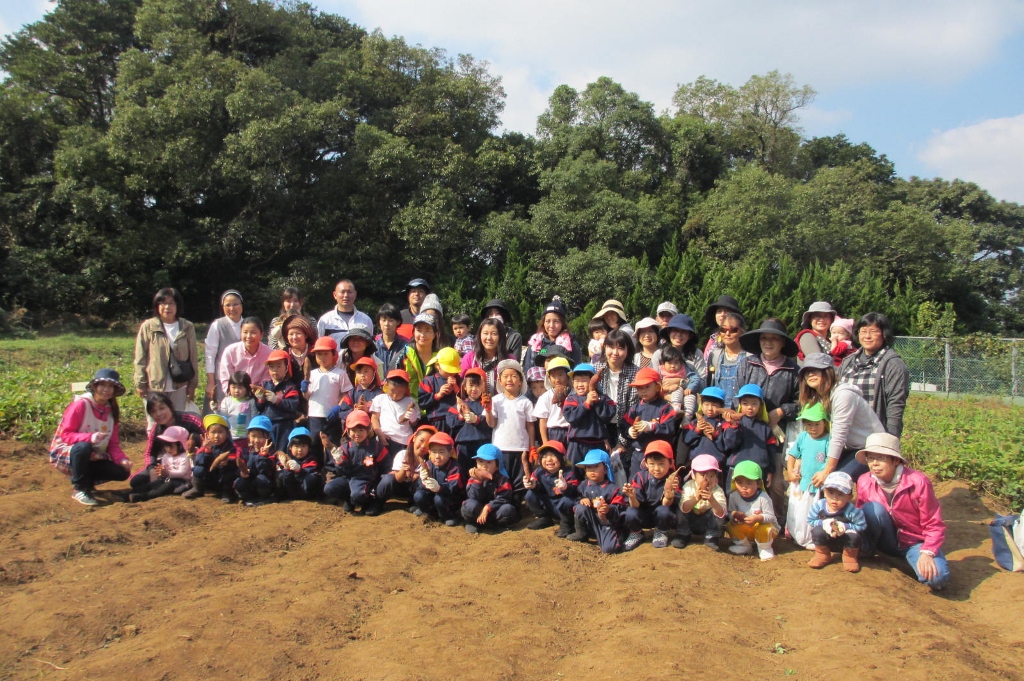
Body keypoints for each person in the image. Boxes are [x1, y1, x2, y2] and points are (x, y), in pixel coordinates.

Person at [855, 433, 950, 590]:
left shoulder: (918, 482)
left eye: (881, 458)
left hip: (913, 542)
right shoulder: (864, 481)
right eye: (870, 458)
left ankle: (908, 558)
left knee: (937, 577)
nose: (874, 463)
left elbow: (933, 522)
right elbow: (860, 514)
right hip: (885, 539)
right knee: (872, 510)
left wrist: (927, 552)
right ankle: (869, 549)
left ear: (896, 460)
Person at [49, 369, 132, 506]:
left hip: (93, 455)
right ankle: (80, 488)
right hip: (70, 451)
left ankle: (87, 483)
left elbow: (113, 444)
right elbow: (66, 435)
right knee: (83, 447)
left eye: (110, 386)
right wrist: (90, 437)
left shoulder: (112, 413)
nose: (106, 389)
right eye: (102, 385)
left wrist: (122, 460)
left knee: (122, 472)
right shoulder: (81, 405)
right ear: (94, 387)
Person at [799, 353, 885, 482]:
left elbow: (838, 436)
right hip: (849, 448)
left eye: (815, 370)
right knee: (814, 473)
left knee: (835, 481)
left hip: (870, 449)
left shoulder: (843, 395)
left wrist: (827, 471)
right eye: (806, 372)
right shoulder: (818, 397)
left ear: (828, 372)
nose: (810, 374)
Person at [838, 312, 910, 437]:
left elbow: (895, 405)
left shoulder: (893, 365)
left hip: (874, 436)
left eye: (873, 331)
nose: (867, 336)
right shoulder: (848, 362)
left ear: (884, 334)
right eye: (863, 331)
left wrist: (890, 439)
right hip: (844, 435)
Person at [133, 287, 198, 412]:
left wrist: (192, 384)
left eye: (171, 303)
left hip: (180, 385)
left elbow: (193, 357)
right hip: (154, 385)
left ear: (177, 305)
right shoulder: (148, 326)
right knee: (156, 420)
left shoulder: (187, 326)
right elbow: (140, 357)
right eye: (163, 303)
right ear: (157, 305)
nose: (167, 307)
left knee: (177, 419)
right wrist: (140, 383)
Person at [485, 359, 537, 499]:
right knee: (502, 478)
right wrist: (488, 410)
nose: (509, 379)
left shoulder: (525, 402)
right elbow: (491, 424)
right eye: (505, 376)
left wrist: (532, 447)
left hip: (521, 448)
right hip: (500, 448)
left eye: (514, 376)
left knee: (520, 480)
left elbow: (530, 426)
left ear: (520, 381)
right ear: (500, 381)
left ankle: (517, 503)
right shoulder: (496, 400)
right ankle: (502, 501)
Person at [622, 441, 683, 550]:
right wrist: (632, 496)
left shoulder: (673, 479)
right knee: (630, 512)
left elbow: (666, 505)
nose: (656, 468)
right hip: (643, 515)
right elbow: (635, 505)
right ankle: (636, 533)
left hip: (662, 516)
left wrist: (668, 496)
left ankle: (661, 531)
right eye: (652, 464)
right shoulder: (640, 477)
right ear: (646, 463)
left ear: (670, 463)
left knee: (664, 511)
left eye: (661, 464)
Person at [323, 411, 388, 513]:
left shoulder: (376, 447)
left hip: (368, 480)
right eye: (353, 430)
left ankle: (370, 502)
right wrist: (339, 461)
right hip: (349, 479)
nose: (357, 434)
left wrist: (381, 481)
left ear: (368, 429)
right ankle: (349, 500)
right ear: (348, 431)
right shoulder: (345, 448)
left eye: (361, 430)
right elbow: (342, 471)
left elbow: (386, 464)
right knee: (329, 488)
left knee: (358, 495)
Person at [566, 449, 627, 553]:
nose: (592, 470)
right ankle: (581, 533)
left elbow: (620, 508)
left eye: (596, 466)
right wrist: (581, 500)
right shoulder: (582, 486)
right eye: (589, 467)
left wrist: (608, 509)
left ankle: (619, 536)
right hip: (590, 522)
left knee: (609, 548)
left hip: (605, 523)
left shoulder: (613, 489)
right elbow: (575, 499)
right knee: (580, 507)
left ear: (605, 469)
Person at [134, 393, 203, 482]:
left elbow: (208, 440)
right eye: (153, 411)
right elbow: (150, 453)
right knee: (136, 481)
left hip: (195, 464)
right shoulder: (156, 429)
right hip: (171, 464)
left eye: (162, 408)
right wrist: (152, 469)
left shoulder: (191, 420)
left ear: (171, 406)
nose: (158, 414)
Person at [622, 367, 676, 479]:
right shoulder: (635, 408)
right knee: (635, 481)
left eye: (647, 386)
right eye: (639, 388)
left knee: (658, 483)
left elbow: (669, 429)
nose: (643, 391)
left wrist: (651, 426)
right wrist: (629, 431)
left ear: (657, 387)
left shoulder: (665, 407)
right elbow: (623, 425)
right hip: (639, 453)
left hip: (658, 456)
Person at [305, 336, 352, 464]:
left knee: (332, 444)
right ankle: (315, 469)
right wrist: (304, 389)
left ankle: (332, 470)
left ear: (334, 355)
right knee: (314, 444)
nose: (322, 357)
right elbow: (307, 396)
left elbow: (347, 394)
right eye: (319, 354)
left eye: (326, 354)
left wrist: (339, 407)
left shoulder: (340, 374)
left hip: (332, 416)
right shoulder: (312, 374)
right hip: (314, 415)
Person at [807, 471, 867, 572]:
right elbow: (810, 520)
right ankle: (822, 554)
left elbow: (862, 525)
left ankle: (850, 558)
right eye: (831, 492)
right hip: (826, 540)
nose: (835, 498)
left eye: (840, 494)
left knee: (854, 536)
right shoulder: (818, 506)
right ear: (824, 492)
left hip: (846, 542)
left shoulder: (852, 511)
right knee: (817, 531)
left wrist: (845, 526)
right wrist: (823, 523)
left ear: (849, 497)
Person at [561, 363, 615, 467]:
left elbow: (607, 416)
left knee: (597, 472)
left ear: (593, 381)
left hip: (597, 444)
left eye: (584, 380)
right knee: (573, 471)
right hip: (576, 444)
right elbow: (571, 418)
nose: (580, 384)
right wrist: (586, 404)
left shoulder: (602, 398)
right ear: (572, 383)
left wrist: (597, 402)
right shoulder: (571, 399)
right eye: (576, 381)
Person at [725, 460, 779, 561]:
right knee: (730, 526)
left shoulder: (763, 497)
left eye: (749, 483)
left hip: (765, 529)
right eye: (739, 482)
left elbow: (771, 517)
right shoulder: (734, 495)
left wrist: (758, 518)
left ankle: (765, 548)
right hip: (747, 528)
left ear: (758, 483)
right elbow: (729, 512)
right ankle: (744, 545)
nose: (744, 487)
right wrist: (734, 515)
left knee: (764, 528)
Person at [523, 440, 579, 535]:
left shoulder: (569, 473)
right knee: (530, 494)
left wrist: (566, 487)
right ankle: (544, 518)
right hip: (548, 504)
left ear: (562, 458)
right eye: (544, 456)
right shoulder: (539, 472)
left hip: (563, 509)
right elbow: (537, 485)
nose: (549, 459)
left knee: (567, 500)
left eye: (553, 455)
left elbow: (575, 491)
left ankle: (566, 524)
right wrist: (533, 485)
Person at [448, 368, 494, 484]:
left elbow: (491, 423)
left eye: (478, 385)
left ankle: (481, 490)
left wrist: (477, 420)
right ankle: (464, 492)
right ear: (464, 386)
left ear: (483, 387)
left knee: (482, 472)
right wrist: (461, 416)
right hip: (464, 445)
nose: (474, 389)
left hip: (482, 443)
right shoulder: (458, 405)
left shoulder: (487, 404)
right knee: (463, 471)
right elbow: (451, 423)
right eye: (471, 385)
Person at [462, 443, 520, 534]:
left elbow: (503, 498)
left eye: (489, 462)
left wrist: (488, 508)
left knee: (508, 509)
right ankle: (473, 523)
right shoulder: (473, 477)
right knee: (469, 505)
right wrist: (478, 481)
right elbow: (472, 496)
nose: (484, 466)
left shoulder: (502, 479)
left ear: (497, 465)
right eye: (480, 461)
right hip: (478, 511)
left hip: (494, 511)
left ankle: (495, 525)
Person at [376, 424, 435, 512]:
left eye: (427, 444)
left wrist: (419, 476)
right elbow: (398, 479)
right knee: (388, 478)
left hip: (413, 490)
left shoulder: (429, 462)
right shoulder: (402, 454)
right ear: (414, 438)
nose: (423, 446)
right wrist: (404, 468)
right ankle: (378, 502)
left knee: (422, 481)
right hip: (399, 487)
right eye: (421, 440)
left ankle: (414, 503)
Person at [128, 425, 193, 503]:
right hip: (167, 480)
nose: (168, 449)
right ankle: (129, 493)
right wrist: (161, 473)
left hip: (181, 482)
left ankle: (143, 497)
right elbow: (163, 469)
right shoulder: (166, 456)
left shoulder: (185, 457)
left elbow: (181, 473)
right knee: (155, 484)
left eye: (171, 446)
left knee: (165, 487)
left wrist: (167, 473)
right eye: (166, 446)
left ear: (181, 445)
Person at [254, 349, 302, 452]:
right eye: (272, 367)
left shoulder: (290, 387)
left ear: (286, 367)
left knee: (282, 450)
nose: (275, 370)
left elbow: (292, 406)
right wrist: (261, 399)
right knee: (267, 450)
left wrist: (276, 400)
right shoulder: (264, 384)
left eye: (279, 366)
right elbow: (259, 407)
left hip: (284, 425)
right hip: (266, 424)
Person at [680, 386, 740, 470]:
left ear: (722, 407)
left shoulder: (725, 424)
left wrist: (716, 435)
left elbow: (728, 445)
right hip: (697, 462)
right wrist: (697, 430)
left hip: (717, 463)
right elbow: (686, 440)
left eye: (714, 405)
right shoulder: (694, 422)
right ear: (701, 405)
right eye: (706, 404)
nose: (710, 409)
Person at [677, 454, 728, 550]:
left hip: (707, 523)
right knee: (680, 508)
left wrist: (712, 500)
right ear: (693, 475)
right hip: (691, 521)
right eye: (702, 475)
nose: (707, 479)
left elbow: (721, 512)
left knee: (718, 511)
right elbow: (684, 508)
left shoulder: (718, 490)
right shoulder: (688, 486)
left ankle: (712, 536)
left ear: (716, 477)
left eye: (711, 476)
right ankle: (683, 534)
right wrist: (696, 499)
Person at [204, 290, 244, 409]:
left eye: (235, 304)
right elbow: (210, 354)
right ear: (223, 307)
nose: (232, 308)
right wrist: (211, 382)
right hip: (221, 379)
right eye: (228, 305)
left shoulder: (247, 324)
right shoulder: (217, 325)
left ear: (241, 305)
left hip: (242, 380)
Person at [184, 414, 239, 502]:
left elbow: (235, 463)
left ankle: (227, 493)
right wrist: (208, 451)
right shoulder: (205, 447)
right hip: (210, 478)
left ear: (227, 434)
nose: (216, 436)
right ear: (207, 434)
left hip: (223, 479)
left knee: (229, 474)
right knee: (198, 469)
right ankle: (198, 489)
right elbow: (199, 461)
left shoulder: (231, 447)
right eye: (213, 432)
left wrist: (227, 463)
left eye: (220, 432)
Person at [413, 431, 464, 524]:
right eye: (434, 452)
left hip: (450, 498)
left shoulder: (455, 468)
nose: (437, 456)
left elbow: (453, 487)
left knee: (439, 499)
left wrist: (439, 487)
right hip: (433, 496)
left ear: (450, 453)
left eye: (441, 452)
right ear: (429, 452)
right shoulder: (428, 464)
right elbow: (420, 486)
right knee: (418, 495)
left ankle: (449, 516)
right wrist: (423, 481)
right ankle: (430, 512)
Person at [217, 317, 272, 402]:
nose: (248, 336)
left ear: (261, 335)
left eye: (253, 333)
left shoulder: (270, 353)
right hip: (235, 398)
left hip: (260, 398)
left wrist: (259, 395)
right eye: (245, 332)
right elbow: (226, 378)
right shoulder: (230, 351)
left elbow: (269, 379)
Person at [522, 296, 581, 370]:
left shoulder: (572, 344)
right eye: (548, 321)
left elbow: (576, 370)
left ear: (562, 323)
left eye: (556, 321)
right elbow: (527, 368)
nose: (551, 326)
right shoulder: (535, 342)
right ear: (543, 323)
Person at [707, 311, 751, 408]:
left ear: (742, 331)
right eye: (723, 330)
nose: (727, 333)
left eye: (733, 330)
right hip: (718, 411)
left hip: (740, 412)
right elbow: (710, 385)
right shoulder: (714, 355)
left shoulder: (750, 358)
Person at [370, 369, 419, 453]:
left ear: (406, 389)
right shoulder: (380, 399)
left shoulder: (410, 401)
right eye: (392, 391)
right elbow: (374, 419)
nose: (395, 395)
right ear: (386, 385)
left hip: (404, 441)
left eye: (400, 392)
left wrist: (413, 417)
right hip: (385, 438)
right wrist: (379, 433)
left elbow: (414, 424)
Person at [460, 317, 511, 395]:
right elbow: (462, 385)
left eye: (494, 334)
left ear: (501, 336)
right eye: (485, 333)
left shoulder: (509, 360)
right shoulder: (469, 358)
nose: (489, 338)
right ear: (479, 335)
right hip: (474, 402)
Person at [233, 415, 277, 506]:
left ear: (268, 436)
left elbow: (264, 470)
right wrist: (241, 473)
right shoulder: (246, 451)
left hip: (265, 484)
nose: (256, 440)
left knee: (261, 479)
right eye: (253, 436)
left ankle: (264, 498)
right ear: (248, 436)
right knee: (240, 482)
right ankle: (248, 498)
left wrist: (263, 456)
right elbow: (238, 468)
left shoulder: (272, 453)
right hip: (250, 482)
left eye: (260, 437)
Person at [418, 347, 462, 434]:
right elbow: (422, 403)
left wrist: (456, 389)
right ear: (437, 365)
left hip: (455, 419)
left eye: (453, 370)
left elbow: (466, 399)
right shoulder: (429, 381)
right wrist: (438, 395)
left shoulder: (459, 380)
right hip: (438, 421)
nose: (451, 373)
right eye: (448, 370)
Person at [317, 279, 374, 345]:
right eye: (342, 292)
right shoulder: (325, 320)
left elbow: (370, 344)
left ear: (355, 295)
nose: (346, 295)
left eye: (349, 292)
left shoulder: (365, 320)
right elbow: (319, 345)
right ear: (335, 295)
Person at [532, 357, 571, 446]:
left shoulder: (573, 394)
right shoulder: (545, 397)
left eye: (560, 375)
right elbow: (543, 422)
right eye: (553, 376)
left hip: (571, 430)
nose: (557, 379)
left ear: (568, 375)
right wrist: (545, 442)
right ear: (549, 378)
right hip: (554, 432)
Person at [401, 313, 439, 402]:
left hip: (435, 405)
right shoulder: (403, 355)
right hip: (407, 404)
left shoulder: (441, 357)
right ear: (413, 333)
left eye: (427, 330)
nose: (422, 335)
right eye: (419, 330)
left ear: (435, 334)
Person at [276, 427, 321, 501]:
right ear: (290, 447)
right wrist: (285, 467)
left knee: (311, 478)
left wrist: (299, 470)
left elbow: (310, 473)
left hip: (304, 492)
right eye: (296, 446)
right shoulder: (287, 458)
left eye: (303, 446)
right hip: (290, 491)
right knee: (280, 474)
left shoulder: (311, 459)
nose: (300, 450)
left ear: (308, 447)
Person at [218, 371, 257, 454]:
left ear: (247, 388)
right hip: (231, 437)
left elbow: (254, 418)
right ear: (229, 387)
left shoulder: (250, 401)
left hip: (245, 437)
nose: (236, 391)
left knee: (244, 456)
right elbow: (222, 418)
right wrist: (215, 409)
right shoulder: (226, 401)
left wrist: (252, 434)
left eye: (240, 388)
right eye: (233, 387)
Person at [702, 294, 742, 360]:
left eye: (727, 311)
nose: (722, 314)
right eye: (719, 311)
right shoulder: (713, 338)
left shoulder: (738, 338)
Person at [375, 303, 409, 374]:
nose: (386, 324)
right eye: (383, 320)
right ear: (379, 321)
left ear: (398, 322)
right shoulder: (373, 345)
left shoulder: (406, 345)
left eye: (391, 320)